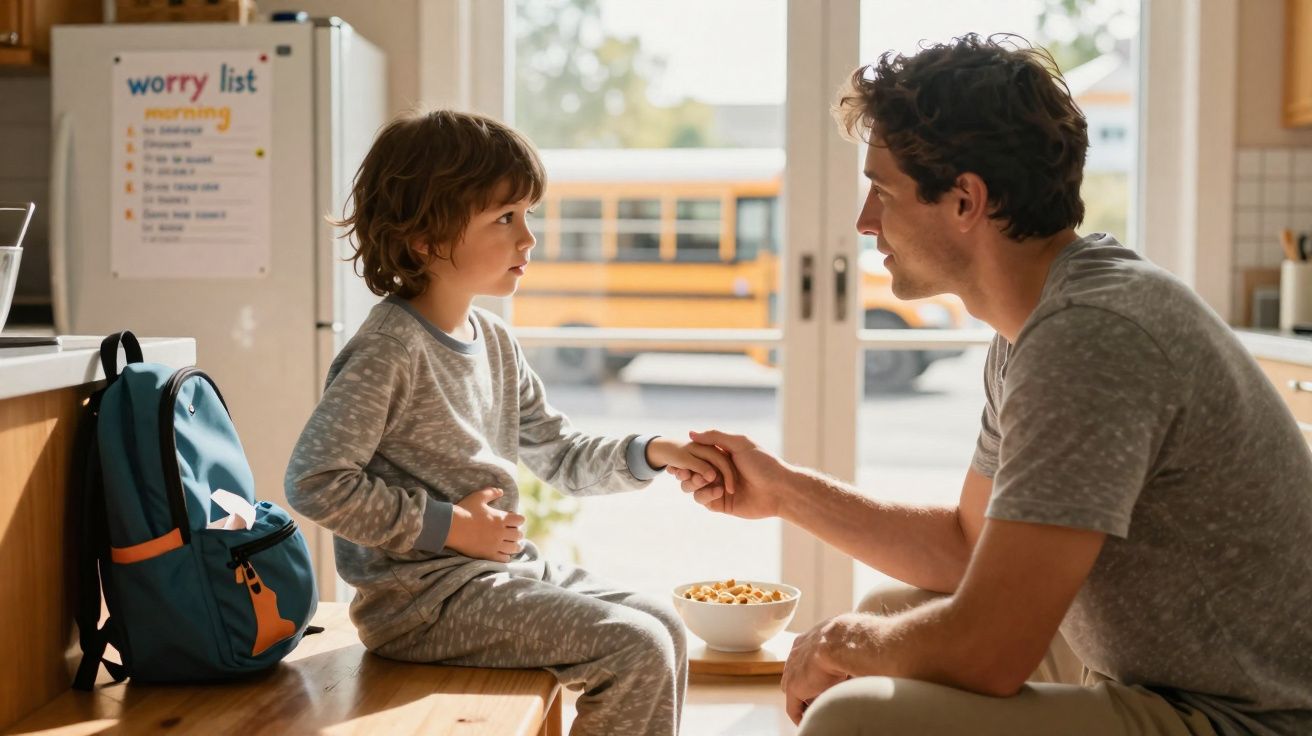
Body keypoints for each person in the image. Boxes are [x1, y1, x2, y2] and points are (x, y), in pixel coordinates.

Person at [673, 34, 1312, 736]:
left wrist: (838, 643)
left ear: (965, 200)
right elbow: (966, 546)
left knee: (857, 713)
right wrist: (784, 491)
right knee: (891, 612)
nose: (864, 222)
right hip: (1159, 670)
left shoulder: (1092, 337)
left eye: (882, 192)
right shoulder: (1037, 323)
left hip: (1249, 716)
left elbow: (990, 652)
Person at [285, 109, 734, 736]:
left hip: (496, 576)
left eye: (528, 215)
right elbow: (315, 481)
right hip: (423, 605)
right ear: (425, 238)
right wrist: (451, 527)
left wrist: (652, 451)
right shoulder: (389, 350)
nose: (528, 239)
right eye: (504, 218)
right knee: (634, 647)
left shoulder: (493, 340)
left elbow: (559, 452)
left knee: (661, 623)